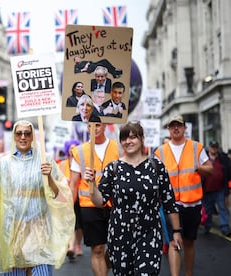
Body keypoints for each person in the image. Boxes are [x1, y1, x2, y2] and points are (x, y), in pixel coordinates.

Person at [0, 120, 75, 275]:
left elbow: (60, 196)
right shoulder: (4, 163)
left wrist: (49, 176)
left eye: (27, 133)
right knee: (14, 272)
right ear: (14, 136)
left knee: (41, 272)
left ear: (32, 137)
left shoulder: (45, 160)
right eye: (19, 133)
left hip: (39, 229)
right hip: (11, 229)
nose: (23, 137)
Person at [87, 121, 183, 275]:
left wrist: (176, 231)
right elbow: (100, 201)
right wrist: (91, 184)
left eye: (133, 137)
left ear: (142, 138)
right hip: (120, 234)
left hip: (149, 231)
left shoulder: (156, 166)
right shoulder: (113, 169)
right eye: (124, 138)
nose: (128, 141)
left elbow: (169, 201)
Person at [154, 115, 213, 276]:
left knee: (188, 242)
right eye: (172, 125)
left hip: (192, 204)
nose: (175, 128)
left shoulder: (196, 147)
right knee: (174, 241)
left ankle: (188, 274)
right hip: (170, 205)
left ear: (185, 128)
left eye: (178, 125)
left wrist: (199, 168)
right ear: (168, 129)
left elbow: (210, 169)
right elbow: (154, 177)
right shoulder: (160, 152)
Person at [69, 120, 119, 276]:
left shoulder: (118, 147)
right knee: (97, 249)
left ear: (105, 125)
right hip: (89, 205)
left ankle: (108, 261)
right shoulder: (79, 151)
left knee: (116, 248)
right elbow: (73, 184)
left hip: (116, 205)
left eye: (97, 125)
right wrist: (69, 210)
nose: (94, 128)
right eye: (90, 125)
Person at [58, 139, 83, 259]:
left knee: (79, 226)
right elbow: (56, 178)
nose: (72, 150)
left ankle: (78, 244)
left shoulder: (82, 163)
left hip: (80, 197)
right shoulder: (62, 164)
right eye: (70, 147)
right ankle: (71, 247)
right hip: (66, 198)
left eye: (75, 147)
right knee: (70, 223)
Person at [201, 140, 231, 236]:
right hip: (207, 190)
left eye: (215, 147)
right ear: (209, 147)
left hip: (220, 189)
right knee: (208, 210)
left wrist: (228, 189)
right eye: (212, 147)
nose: (214, 149)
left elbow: (229, 174)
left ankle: (225, 228)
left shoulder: (223, 159)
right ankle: (207, 226)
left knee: (222, 208)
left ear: (217, 148)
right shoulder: (203, 159)